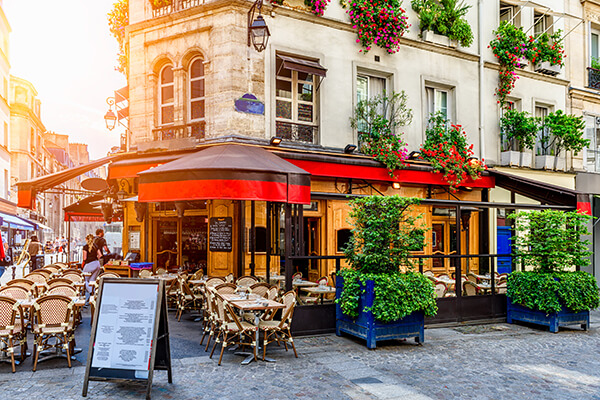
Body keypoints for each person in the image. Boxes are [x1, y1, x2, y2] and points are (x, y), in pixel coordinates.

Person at [82, 234, 102, 301]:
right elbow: (100, 255)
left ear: (86, 239)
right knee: (92, 281)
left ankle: (91, 293)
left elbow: (84, 258)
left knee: (84, 280)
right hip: (97, 264)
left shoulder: (85, 247)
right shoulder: (95, 246)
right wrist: (96, 258)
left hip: (89, 264)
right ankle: (91, 298)